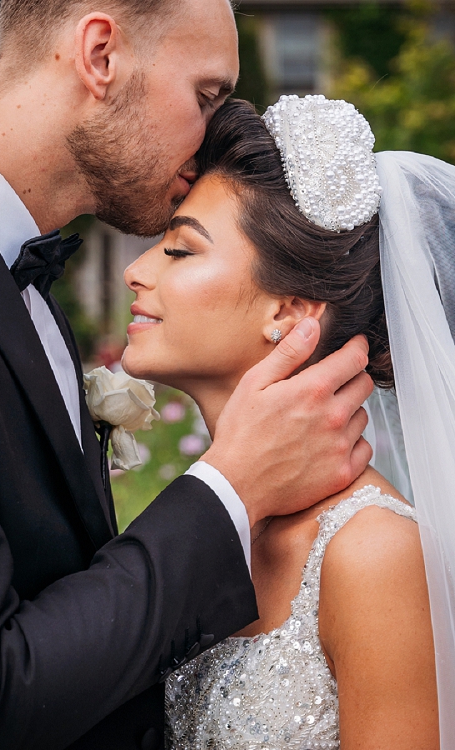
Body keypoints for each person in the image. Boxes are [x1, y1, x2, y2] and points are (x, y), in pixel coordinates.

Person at [0, 3, 374, 749]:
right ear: (101, 56)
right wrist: (231, 489)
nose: (212, 132)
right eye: (206, 94)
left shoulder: (23, 286)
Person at [122, 96, 454, 748]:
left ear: (291, 312)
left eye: (179, 251)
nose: (137, 271)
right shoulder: (204, 516)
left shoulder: (371, 553)